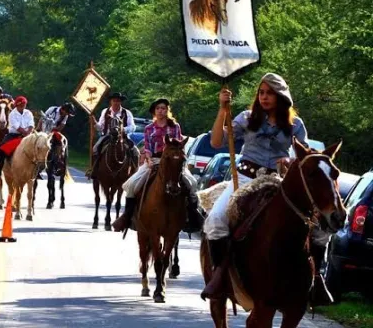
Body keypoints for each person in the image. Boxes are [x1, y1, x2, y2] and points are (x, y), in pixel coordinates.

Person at [200, 73, 323, 301]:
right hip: (246, 180)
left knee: (317, 224)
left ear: (281, 96)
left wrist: (290, 161)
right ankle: (220, 273)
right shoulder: (247, 117)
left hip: (279, 182)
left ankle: (315, 278)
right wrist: (222, 109)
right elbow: (216, 142)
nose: (265, 97)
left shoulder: (295, 124)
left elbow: (305, 157)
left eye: (270, 93)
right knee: (216, 220)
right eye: (262, 92)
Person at [112, 98, 204, 233]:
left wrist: (179, 159)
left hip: (173, 162)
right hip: (154, 161)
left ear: (167, 111)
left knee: (192, 184)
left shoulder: (175, 127)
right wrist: (148, 159)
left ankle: (193, 216)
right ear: (154, 111)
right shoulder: (149, 128)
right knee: (131, 185)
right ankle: (127, 217)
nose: (161, 111)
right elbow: (148, 147)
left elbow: (180, 145)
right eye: (158, 108)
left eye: (163, 108)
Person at [86, 92, 137, 178]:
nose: (116, 103)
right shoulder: (105, 111)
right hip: (107, 136)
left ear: (121, 102)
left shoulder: (127, 113)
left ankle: (134, 173)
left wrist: (123, 130)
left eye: (118, 101)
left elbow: (133, 127)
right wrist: (94, 123)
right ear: (111, 101)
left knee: (136, 151)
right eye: (114, 100)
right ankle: (93, 169)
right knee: (95, 148)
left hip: (122, 137)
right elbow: (101, 127)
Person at [0, 96, 34, 179]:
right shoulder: (12, 114)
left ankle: (37, 170)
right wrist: (25, 133)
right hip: (14, 135)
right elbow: (17, 127)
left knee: (40, 147)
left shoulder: (28, 113)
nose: (23, 106)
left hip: (28, 134)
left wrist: (28, 133)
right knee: (1, 149)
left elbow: (31, 124)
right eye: (21, 105)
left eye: (24, 104)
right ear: (17, 105)